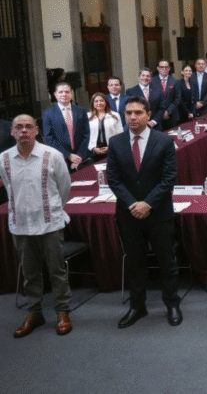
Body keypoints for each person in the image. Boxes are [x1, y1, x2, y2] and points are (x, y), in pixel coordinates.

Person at [107, 96, 182, 329]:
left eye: (138, 112)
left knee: (166, 260)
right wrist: (133, 204)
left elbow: (169, 178)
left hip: (158, 212)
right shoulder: (116, 142)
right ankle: (137, 306)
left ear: (148, 114)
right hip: (129, 214)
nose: (132, 117)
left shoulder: (164, 141)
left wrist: (147, 204)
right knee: (135, 261)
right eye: (128, 113)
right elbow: (114, 179)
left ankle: (172, 303)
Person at [0, 114, 73, 338]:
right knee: (30, 274)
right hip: (20, 225)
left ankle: (62, 311)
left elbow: (65, 187)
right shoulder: (3, 159)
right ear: (12, 132)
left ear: (36, 130)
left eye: (28, 127)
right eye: (19, 127)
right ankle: (34, 312)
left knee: (57, 271)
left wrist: (51, 209)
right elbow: (9, 190)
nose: (23, 131)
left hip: (49, 224)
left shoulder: (52, 155)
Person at [42, 82, 90, 170]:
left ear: (71, 94)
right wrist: (68, 155)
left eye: (67, 92)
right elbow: (49, 138)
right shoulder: (48, 114)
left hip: (80, 158)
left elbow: (86, 134)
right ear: (55, 94)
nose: (64, 94)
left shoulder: (81, 111)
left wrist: (79, 156)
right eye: (60, 92)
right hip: (60, 159)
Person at [87, 93, 122, 161]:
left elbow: (120, 134)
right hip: (94, 151)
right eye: (96, 101)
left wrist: (110, 147)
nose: (99, 103)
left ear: (106, 102)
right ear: (92, 103)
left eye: (101, 100)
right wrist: (93, 148)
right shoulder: (87, 117)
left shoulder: (115, 115)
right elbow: (85, 136)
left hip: (111, 149)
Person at [152, 59, 181, 130]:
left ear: (169, 69)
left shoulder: (175, 81)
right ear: (158, 68)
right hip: (157, 117)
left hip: (172, 116)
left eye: (166, 67)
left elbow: (177, 98)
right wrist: (161, 112)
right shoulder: (152, 81)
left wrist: (168, 111)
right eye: (162, 67)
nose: (164, 69)